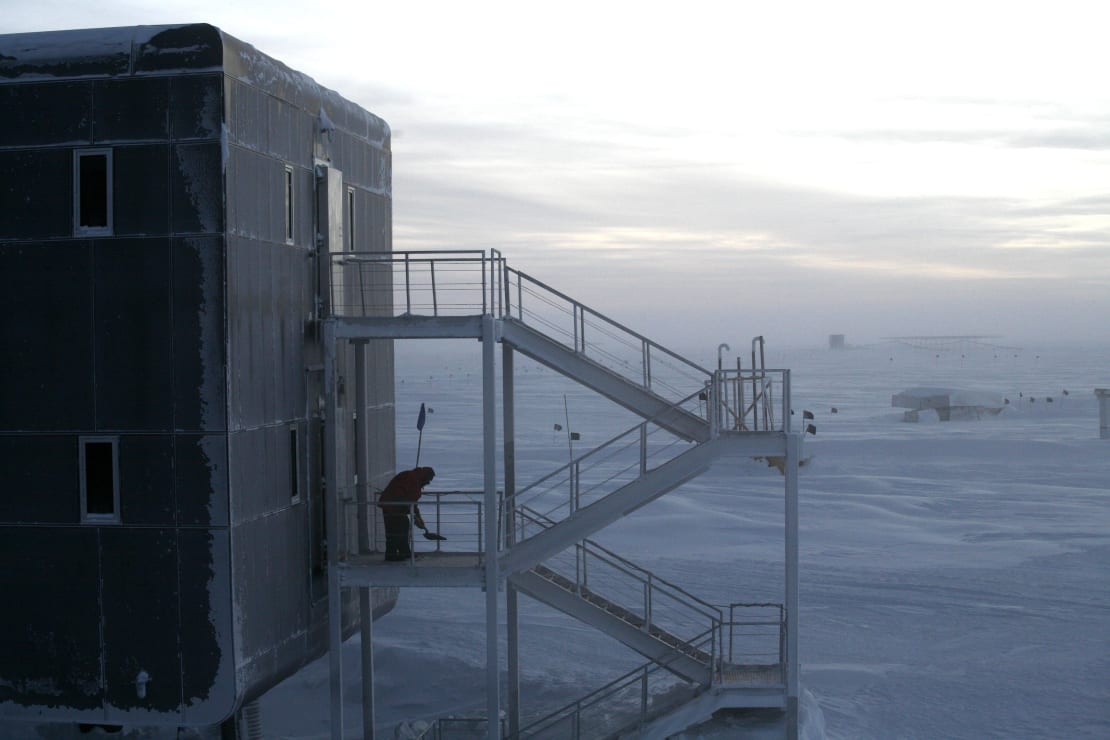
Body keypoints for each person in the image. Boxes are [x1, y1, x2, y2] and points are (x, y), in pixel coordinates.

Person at [377, 466, 435, 561]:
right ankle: (394, 555)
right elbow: (407, 497)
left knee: (399, 528)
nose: (428, 482)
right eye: (429, 480)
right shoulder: (411, 478)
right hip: (392, 507)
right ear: (425, 476)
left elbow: (412, 501)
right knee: (397, 530)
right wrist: (414, 514)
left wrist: (417, 516)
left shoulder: (415, 479)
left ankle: (402, 553)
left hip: (396, 507)